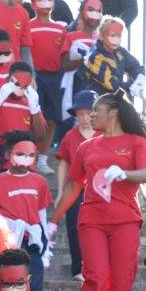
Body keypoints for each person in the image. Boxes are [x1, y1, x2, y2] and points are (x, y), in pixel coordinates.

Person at [49, 89, 146, 291]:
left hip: (125, 220)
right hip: (92, 220)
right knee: (95, 278)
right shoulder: (86, 147)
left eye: (96, 110)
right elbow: (74, 186)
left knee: (121, 282)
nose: (91, 115)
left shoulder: (136, 142)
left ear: (113, 113)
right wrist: (51, 221)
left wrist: (123, 173)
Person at [0, 130, 53, 291]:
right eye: (20, 154)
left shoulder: (40, 181)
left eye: (29, 154)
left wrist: (45, 247)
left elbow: (42, 215)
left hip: (32, 243)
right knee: (6, 290)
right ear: (8, 154)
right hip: (7, 244)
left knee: (34, 288)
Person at [0, 61, 47, 186]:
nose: (19, 86)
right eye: (16, 82)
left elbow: (41, 136)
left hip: (25, 162)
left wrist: (34, 107)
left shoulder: (31, 101)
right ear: (8, 80)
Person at [55, 90, 99, 280]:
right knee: (74, 227)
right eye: (80, 114)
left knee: (97, 229)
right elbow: (63, 163)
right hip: (75, 190)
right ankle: (78, 268)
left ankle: (95, 267)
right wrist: (60, 192)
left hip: (99, 192)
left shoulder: (105, 134)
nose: (85, 118)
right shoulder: (70, 136)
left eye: (89, 113)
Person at [29, 0, 66, 174]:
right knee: (32, 118)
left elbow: (65, 56)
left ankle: (42, 160)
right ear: (32, 3)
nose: (45, 2)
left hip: (55, 77)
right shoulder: (27, 26)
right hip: (33, 78)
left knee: (51, 119)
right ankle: (29, 156)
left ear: (54, 2)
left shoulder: (61, 29)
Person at [59, 0, 102, 122]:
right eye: (91, 10)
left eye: (98, 11)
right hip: (76, 86)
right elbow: (65, 65)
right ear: (83, 12)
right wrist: (85, 60)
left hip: (99, 88)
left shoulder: (103, 39)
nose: (94, 15)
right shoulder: (71, 37)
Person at [84, 16, 145, 96]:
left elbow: (134, 66)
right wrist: (131, 87)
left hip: (114, 97)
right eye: (112, 36)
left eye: (119, 36)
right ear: (101, 36)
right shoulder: (96, 56)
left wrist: (140, 77)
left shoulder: (120, 51)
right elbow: (110, 83)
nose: (116, 39)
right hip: (97, 98)